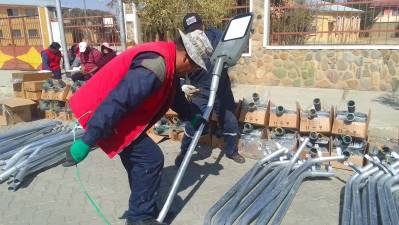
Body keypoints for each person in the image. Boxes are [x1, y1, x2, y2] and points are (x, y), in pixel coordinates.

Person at [63, 30, 213, 225]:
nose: (191, 73)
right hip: (104, 114)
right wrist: (87, 141)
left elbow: (174, 96)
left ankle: (145, 210)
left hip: (121, 115)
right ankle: (139, 218)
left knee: (140, 165)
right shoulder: (154, 67)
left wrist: (191, 115)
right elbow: (118, 101)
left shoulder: (169, 63)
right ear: (186, 57)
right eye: (193, 68)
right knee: (150, 160)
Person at [175, 13, 245, 166]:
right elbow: (177, 69)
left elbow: (234, 43)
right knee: (194, 122)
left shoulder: (216, 35)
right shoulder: (183, 44)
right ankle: (185, 152)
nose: (196, 33)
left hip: (221, 88)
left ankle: (231, 151)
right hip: (200, 90)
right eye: (191, 31)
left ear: (203, 26)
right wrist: (182, 86)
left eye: (197, 28)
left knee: (230, 121)